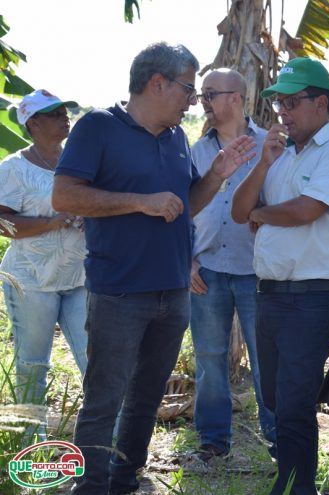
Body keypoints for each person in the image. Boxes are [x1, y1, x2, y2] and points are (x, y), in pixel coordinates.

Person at [51, 42, 256, 495]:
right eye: (189, 88)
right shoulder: (98, 127)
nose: (194, 100)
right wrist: (139, 203)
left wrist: (216, 175)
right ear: (157, 82)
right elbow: (64, 196)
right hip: (120, 292)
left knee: (146, 399)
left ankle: (125, 481)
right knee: (104, 401)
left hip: (173, 292)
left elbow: (182, 207)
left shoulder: (177, 138)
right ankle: (91, 488)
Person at [231, 57, 329, 495]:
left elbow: (307, 211)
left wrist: (261, 214)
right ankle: (290, 477)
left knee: (292, 402)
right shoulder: (284, 157)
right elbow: (238, 212)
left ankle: (295, 486)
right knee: (273, 398)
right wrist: (263, 165)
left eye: (291, 102)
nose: (282, 112)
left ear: (321, 103)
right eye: (278, 104)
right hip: (270, 294)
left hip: (314, 296)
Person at [189, 68, 276, 461]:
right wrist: (185, 259)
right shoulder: (195, 149)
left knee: (266, 356)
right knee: (208, 356)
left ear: (237, 98)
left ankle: (277, 438)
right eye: (203, 94)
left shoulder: (271, 146)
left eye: (211, 93)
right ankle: (213, 440)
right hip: (206, 267)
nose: (203, 101)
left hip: (258, 271)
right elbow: (184, 207)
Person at [0, 90, 86, 438]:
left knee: (95, 360)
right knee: (32, 366)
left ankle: (105, 446)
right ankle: (28, 442)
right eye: (53, 113)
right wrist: (52, 221)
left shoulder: (79, 163)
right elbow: (2, 224)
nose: (64, 117)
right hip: (31, 280)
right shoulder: (13, 169)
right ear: (32, 123)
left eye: (65, 110)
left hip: (80, 276)